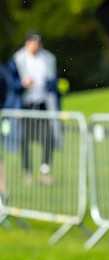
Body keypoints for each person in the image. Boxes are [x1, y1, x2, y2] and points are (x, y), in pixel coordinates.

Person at [11, 30, 60, 186]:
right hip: (25, 106)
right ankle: (27, 172)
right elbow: (10, 82)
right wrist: (21, 84)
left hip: (43, 105)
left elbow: (54, 81)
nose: (36, 46)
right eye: (32, 42)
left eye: (38, 43)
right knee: (24, 140)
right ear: (26, 43)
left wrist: (51, 86)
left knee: (48, 139)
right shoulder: (17, 59)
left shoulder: (48, 59)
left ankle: (45, 170)